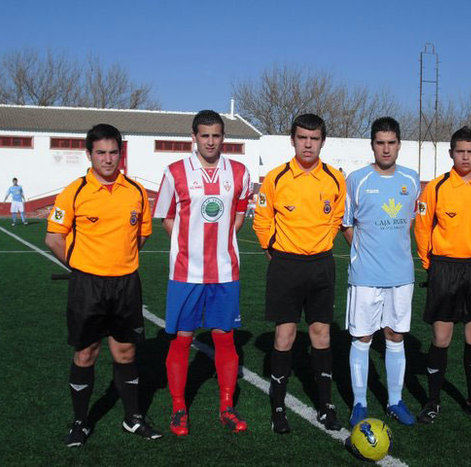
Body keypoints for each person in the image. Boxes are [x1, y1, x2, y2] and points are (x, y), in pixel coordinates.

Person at [45, 123, 161, 447]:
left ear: (120, 154)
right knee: (86, 353)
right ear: (89, 154)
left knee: (125, 351)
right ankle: (80, 423)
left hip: (126, 283)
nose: (108, 160)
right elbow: (53, 236)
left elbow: (142, 236)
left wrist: (117, 260)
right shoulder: (74, 191)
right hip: (88, 286)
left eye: (113, 153)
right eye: (101, 153)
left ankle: (133, 418)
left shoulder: (136, 192)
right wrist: (80, 266)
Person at [153, 110, 251, 436]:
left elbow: (238, 215)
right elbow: (167, 218)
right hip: (186, 273)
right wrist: (190, 245)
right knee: (182, 340)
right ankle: (179, 408)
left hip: (225, 271)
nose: (211, 141)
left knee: (225, 338)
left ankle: (226, 406)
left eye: (217, 135)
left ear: (224, 137)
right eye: (205, 135)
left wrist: (220, 244)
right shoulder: (174, 172)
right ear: (193, 137)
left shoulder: (239, 173)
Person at [253, 113, 346, 434]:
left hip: (321, 265)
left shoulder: (335, 178)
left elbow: (336, 217)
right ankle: (278, 407)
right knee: (285, 335)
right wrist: (275, 250)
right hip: (286, 266)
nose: (308, 144)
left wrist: (322, 243)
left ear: (322, 141)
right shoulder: (276, 178)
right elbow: (262, 220)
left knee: (322, 334)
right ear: (293, 140)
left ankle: (325, 405)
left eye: (314, 138)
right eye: (303, 138)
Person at [414, 126, 471, 423]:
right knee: (442, 337)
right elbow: (422, 226)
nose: (465, 156)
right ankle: (433, 402)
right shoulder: (437, 187)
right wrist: (429, 263)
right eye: (460, 151)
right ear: (451, 153)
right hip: (444, 268)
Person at [342, 117, 419, 428]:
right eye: (380, 143)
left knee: (395, 336)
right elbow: (347, 225)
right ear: (372, 145)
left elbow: (410, 222)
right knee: (362, 338)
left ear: (399, 145)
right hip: (366, 276)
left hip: (401, 276)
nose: (386, 149)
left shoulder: (412, 180)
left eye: (391, 143)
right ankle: (360, 403)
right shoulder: (356, 179)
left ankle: (395, 401)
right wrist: (367, 252)